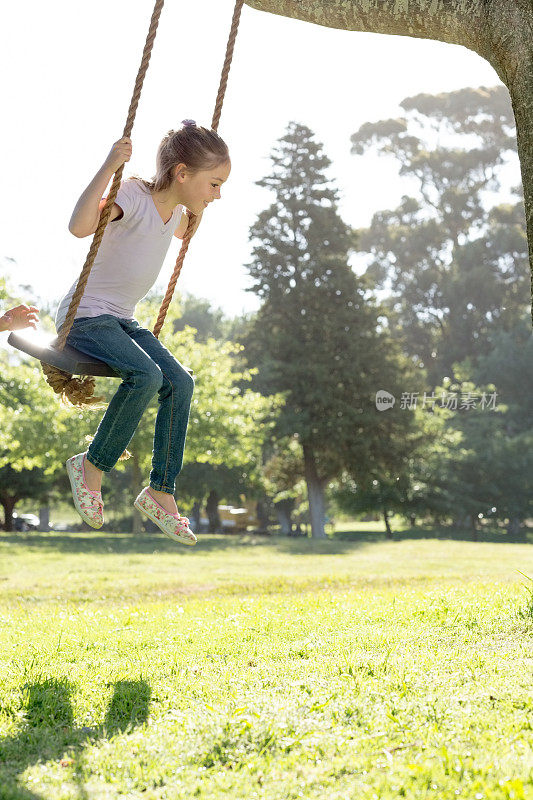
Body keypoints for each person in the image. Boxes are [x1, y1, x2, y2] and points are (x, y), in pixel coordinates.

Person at [56, 121, 231, 545]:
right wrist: (110, 163)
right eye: (214, 183)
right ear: (182, 174)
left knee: (180, 382)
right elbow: (80, 227)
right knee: (147, 376)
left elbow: (187, 228)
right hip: (85, 318)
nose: (218, 193)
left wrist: (198, 208)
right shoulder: (133, 197)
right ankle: (91, 465)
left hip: (120, 319)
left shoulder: (172, 214)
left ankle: (160, 490)